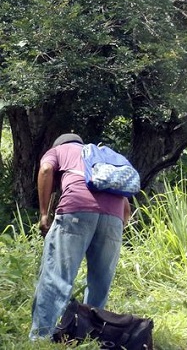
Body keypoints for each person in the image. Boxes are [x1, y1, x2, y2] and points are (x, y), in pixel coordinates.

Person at [30, 134, 131, 340]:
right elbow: (126, 208)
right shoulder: (99, 157)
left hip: (76, 210)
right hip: (114, 218)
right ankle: (88, 335)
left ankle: (40, 337)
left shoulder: (59, 150)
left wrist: (43, 214)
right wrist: (112, 226)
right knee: (100, 281)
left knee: (56, 276)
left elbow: (46, 169)